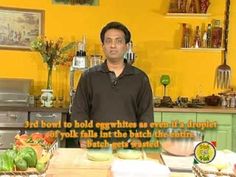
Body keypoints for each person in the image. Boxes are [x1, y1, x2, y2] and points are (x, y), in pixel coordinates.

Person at [71, 21, 154, 148]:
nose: (113, 45)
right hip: (94, 145)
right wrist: (83, 135)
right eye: (108, 41)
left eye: (118, 41)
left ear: (127, 46)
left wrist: (140, 138)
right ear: (103, 46)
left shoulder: (140, 78)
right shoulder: (88, 76)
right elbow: (79, 111)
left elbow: (146, 115)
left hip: (128, 147)